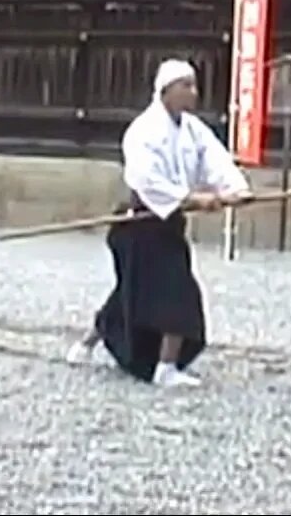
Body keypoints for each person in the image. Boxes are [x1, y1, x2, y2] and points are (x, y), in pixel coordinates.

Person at [65, 58, 254, 387]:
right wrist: (192, 199)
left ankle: (87, 343)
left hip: (167, 225)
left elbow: (215, 159)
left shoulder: (192, 129)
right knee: (177, 292)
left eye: (194, 85)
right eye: (187, 86)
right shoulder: (144, 130)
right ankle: (165, 367)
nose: (194, 93)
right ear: (166, 90)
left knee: (130, 293)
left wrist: (235, 189)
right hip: (140, 224)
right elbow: (146, 180)